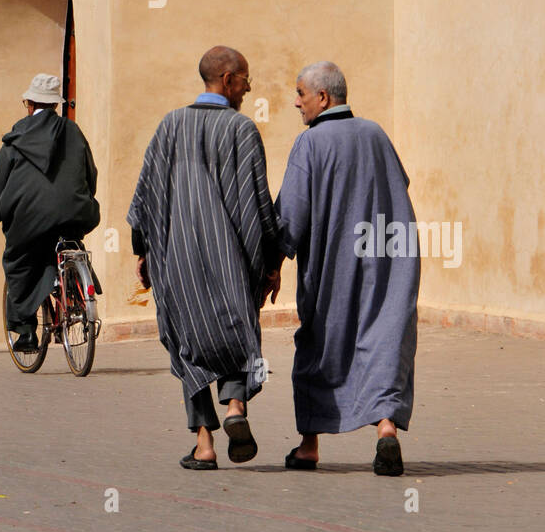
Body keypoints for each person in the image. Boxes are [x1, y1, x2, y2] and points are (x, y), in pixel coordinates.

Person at [128, 47, 281, 470]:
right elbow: (259, 204)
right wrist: (271, 261)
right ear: (228, 79)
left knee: (188, 342)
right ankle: (235, 406)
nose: (250, 87)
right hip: (230, 258)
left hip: (176, 260)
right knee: (234, 331)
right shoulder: (242, 130)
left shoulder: (169, 126)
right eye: (246, 78)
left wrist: (143, 251)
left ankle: (204, 443)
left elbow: (145, 196)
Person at [275, 62, 420, 476]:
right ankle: (386, 430)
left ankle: (308, 447)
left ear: (323, 98)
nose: (296, 101)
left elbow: (291, 217)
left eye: (300, 93)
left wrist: (271, 262)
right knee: (382, 340)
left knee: (321, 345)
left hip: (333, 268)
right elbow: (398, 188)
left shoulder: (311, 143)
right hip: (390, 261)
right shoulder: (376, 134)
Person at [0, 74, 100, 353]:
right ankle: (75, 291)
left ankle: (26, 333)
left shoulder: (16, 137)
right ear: (56, 105)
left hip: (30, 218)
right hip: (76, 212)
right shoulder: (73, 132)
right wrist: (87, 198)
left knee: (19, 261)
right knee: (68, 238)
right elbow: (90, 171)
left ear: (30, 104)